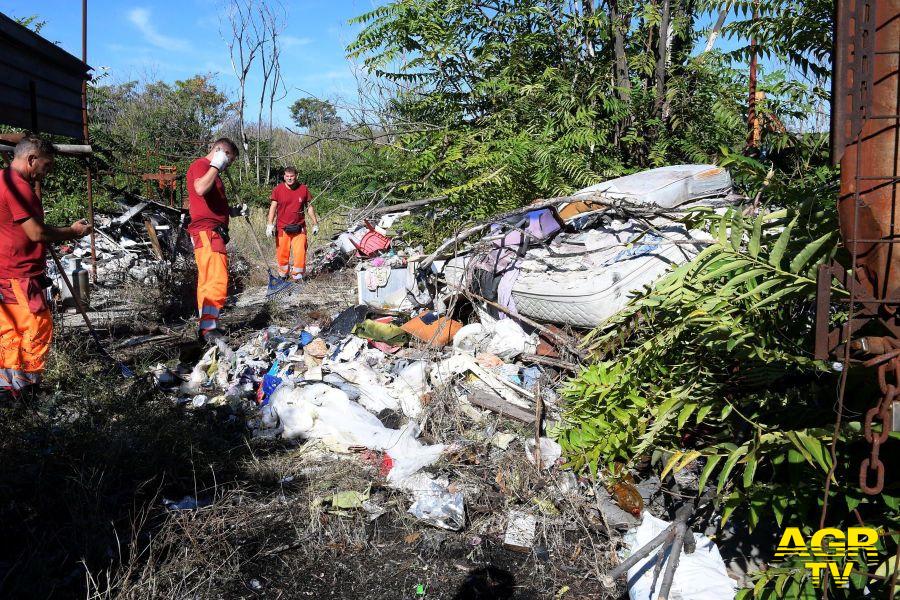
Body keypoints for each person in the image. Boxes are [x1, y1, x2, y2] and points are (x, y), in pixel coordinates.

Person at [0, 136, 92, 401]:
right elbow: (36, 233)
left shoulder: (3, 179)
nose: (47, 172)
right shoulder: (18, 188)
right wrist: (73, 232)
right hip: (19, 274)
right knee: (36, 327)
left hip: (7, 271)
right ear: (31, 160)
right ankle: (27, 388)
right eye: (46, 165)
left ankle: (8, 389)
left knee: (10, 330)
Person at [186, 138, 247, 344]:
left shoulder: (213, 173)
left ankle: (206, 327)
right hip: (208, 232)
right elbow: (200, 189)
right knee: (216, 280)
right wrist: (215, 164)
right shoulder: (201, 165)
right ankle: (209, 327)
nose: (227, 166)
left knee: (207, 282)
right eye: (228, 161)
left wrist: (232, 212)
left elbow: (209, 203)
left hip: (212, 231)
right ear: (221, 152)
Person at [265, 167, 319, 281]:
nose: (289, 178)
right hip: (282, 228)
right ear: (284, 177)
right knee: (282, 254)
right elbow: (273, 207)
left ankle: (298, 278)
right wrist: (269, 224)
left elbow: (309, 207)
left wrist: (315, 223)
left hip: (299, 228)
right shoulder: (278, 189)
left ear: (296, 176)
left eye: (292, 176)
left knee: (300, 254)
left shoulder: (303, 189)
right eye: (287, 176)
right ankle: (283, 276)